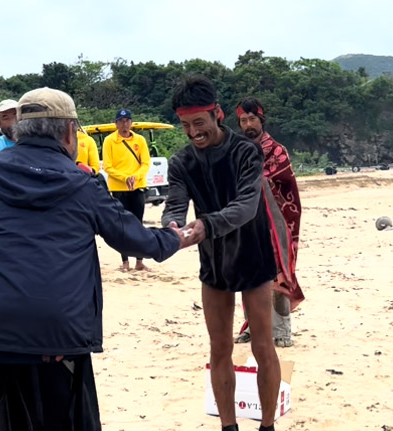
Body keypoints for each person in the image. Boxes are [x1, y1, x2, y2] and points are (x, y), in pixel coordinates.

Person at [0, 87, 191, 431]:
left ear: (17, 131)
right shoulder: (84, 185)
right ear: (70, 133)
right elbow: (137, 240)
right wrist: (176, 237)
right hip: (52, 338)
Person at [162, 76, 281, 431]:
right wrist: (172, 226)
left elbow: (246, 205)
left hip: (253, 255)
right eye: (186, 125)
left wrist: (205, 225)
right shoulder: (181, 162)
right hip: (213, 261)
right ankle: (228, 426)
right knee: (219, 348)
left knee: (263, 347)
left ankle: (267, 426)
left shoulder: (246, 151)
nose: (193, 132)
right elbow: (175, 205)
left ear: (217, 113)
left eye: (199, 122)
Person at [233, 97, 304, 348]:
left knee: (278, 276)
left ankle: (282, 331)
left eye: (252, 119)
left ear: (261, 120)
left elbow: (286, 184)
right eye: (243, 120)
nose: (248, 125)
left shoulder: (276, 151)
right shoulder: (236, 150)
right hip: (246, 224)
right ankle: (253, 327)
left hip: (275, 224)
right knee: (249, 276)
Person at [102, 109, 152, 271]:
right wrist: (125, 178)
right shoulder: (110, 141)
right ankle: (125, 261)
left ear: (131, 123)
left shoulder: (140, 140)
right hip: (119, 188)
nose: (124, 124)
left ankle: (139, 260)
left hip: (137, 186)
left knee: (138, 224)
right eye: (121, 121)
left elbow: (145, 163)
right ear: (116, 123)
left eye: (127, 121)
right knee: (122, 225)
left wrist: (135, 177)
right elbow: (108, 166)